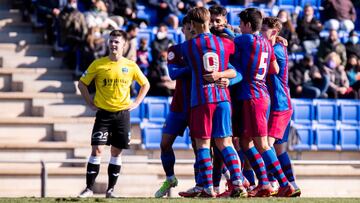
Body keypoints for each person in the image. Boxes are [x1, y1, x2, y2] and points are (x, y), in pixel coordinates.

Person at [180, 7, 247, 198]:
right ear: (209, 21)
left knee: (203, 145)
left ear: (192, 25)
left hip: (202, 99)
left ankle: (208, 187)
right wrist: (221, 74)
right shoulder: (224, 43)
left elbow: (186, 62)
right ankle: (238, 183)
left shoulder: (188, 46)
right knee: (225, 143)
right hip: (223, 98)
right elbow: (234, 68)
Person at [77, 30, 150, 198]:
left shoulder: (131, 65)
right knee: (96, 150)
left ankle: (110, 190)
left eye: (117, 42)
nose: (113, 44)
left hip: (122, 115)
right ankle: (89, 189)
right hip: (103, 114)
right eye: (111, 41)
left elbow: (145, 84)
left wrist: (137, 102)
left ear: (124, 44)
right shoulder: (98, 64)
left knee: (116, 153)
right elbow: (82, 84)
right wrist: (89, 102)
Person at [231, 8, 295, 197]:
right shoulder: (267, 45)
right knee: (245, 142)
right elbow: (274, 68)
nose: (239, 28)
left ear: (248, 25)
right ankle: (264, 183)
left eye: (241, 25)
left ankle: (284, 183)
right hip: (259, 96)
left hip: (254, 96)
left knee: (262, 144)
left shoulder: (246, 39)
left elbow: (228, 40)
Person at [154, 15, 195, 198]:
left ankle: (202, 184)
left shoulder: (203, 49)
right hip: (178, 105)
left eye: (193, 29)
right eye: (188, 28)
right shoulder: (175, 50)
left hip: (197, 105)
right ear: (183, 29)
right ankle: (170, 178)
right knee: (164, 143)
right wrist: (194, 68)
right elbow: (173, 73)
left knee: (200, 147)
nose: (191, 32)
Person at [262, 16, 301, 197]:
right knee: (278, 149)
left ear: (274, 32)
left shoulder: (276, 50)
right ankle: (291, 183)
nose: (260, 34)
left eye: (264, 31)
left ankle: (272, 183)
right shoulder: (277, 46)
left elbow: (270, 66)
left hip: (280, 105)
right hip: (278, 104)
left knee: (266, 145)